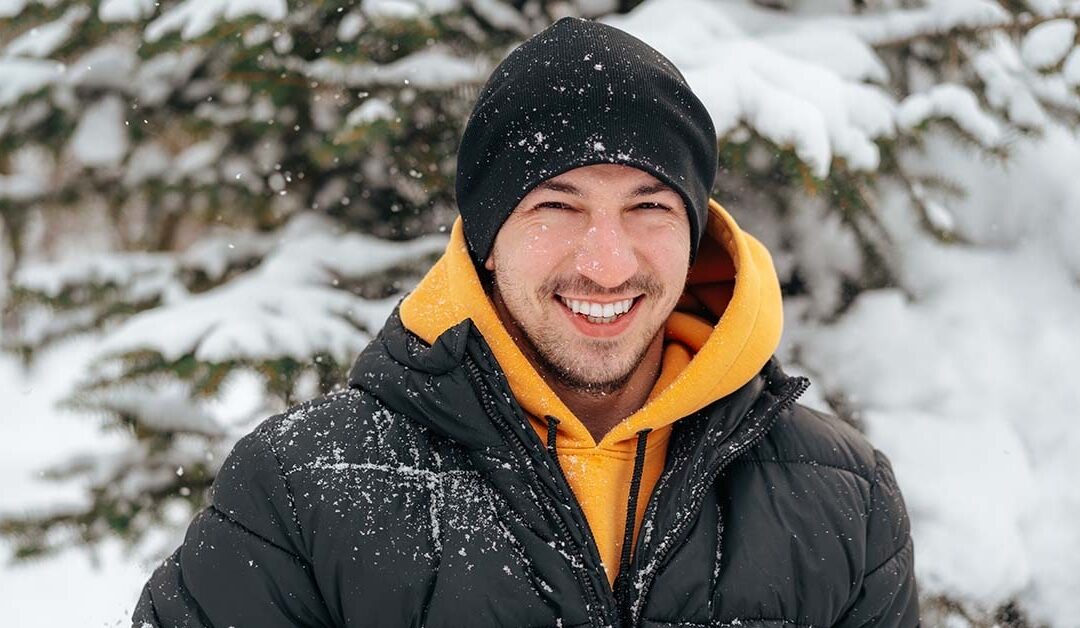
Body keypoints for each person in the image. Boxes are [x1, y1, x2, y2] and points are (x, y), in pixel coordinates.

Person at [133, 17, 918, 628]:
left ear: (698, 230)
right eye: (555, 208)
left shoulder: (843, 501)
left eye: (648, 207)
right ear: (485, 237)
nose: (607, 264)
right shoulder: (305, 493)